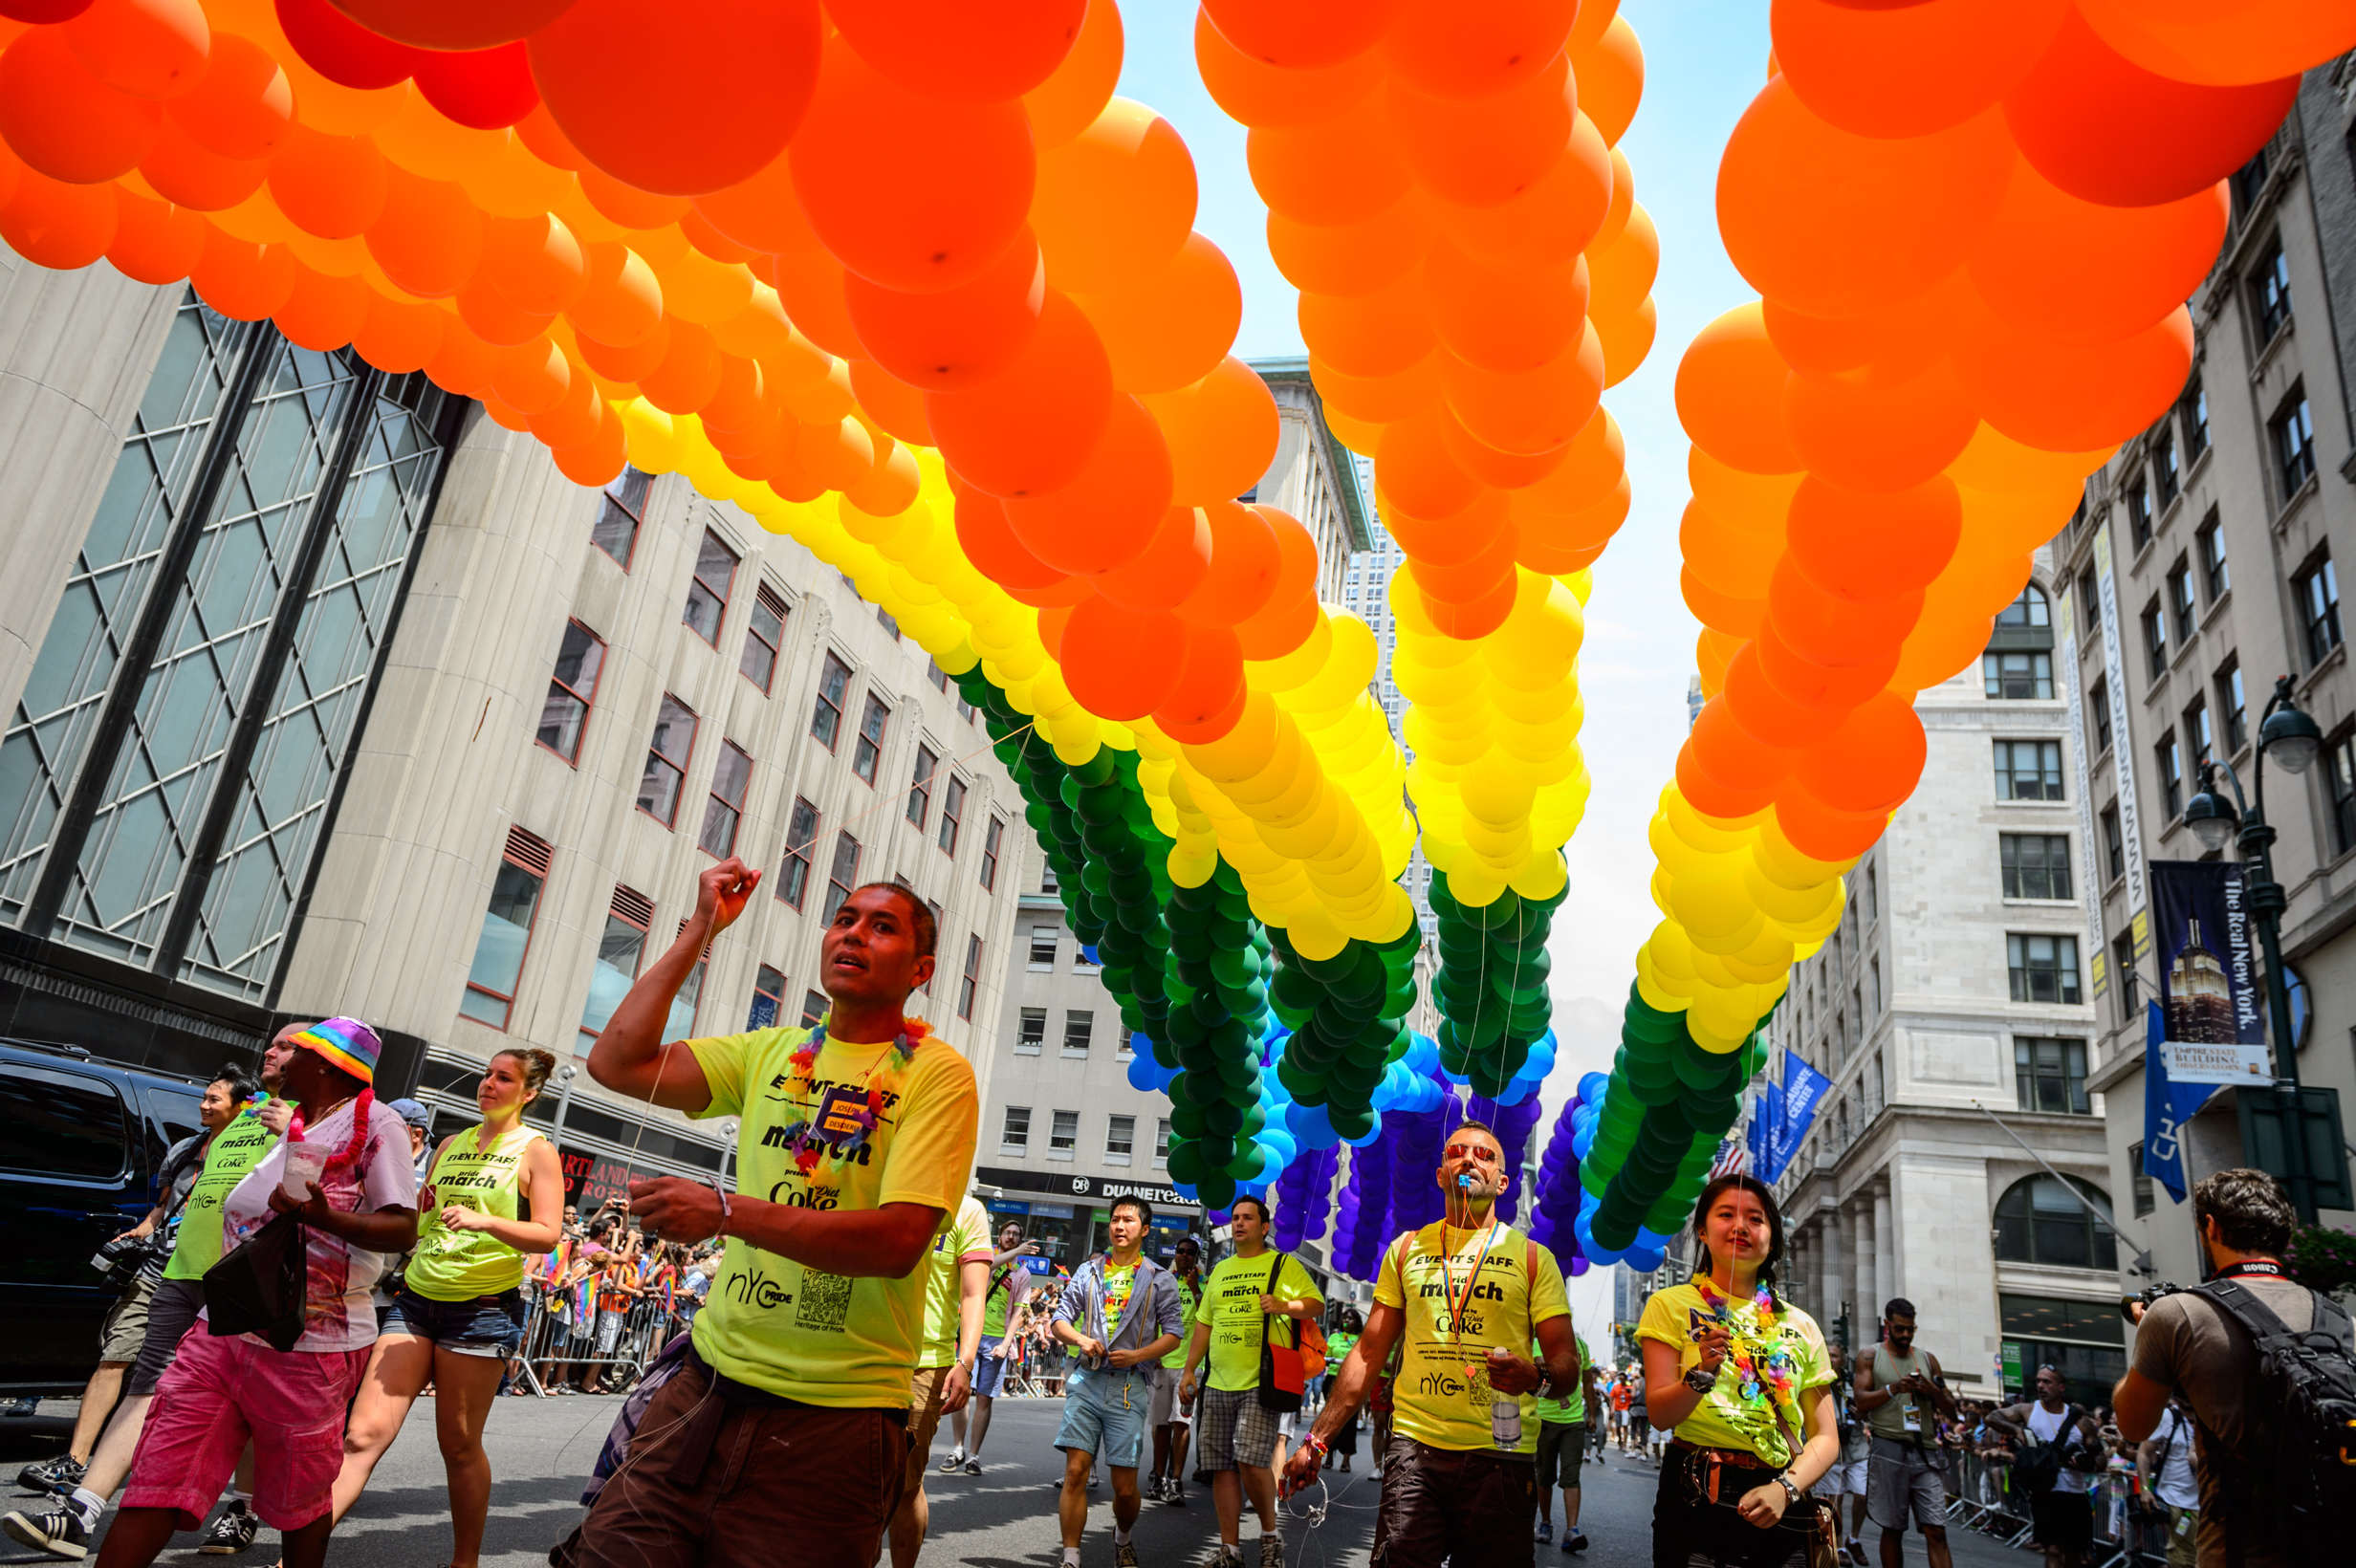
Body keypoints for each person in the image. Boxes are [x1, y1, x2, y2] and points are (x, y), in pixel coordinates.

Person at [555, 866, 980, 1568]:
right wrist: (702, 928)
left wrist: (725, 1211)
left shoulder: (938, 1074)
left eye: (882, 927)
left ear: (921, 969)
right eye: (845, 918)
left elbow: (898, 1240)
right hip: (704, 1389)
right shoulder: (771, 1052)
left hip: (835, 1422)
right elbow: (616, 1061)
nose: (854, 933)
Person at [88, 1019, 416, 1568]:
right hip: (225, 1328)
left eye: (295, 1051)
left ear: (325, 1065)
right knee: (161, 1474)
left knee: (300, 1499)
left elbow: (403, 1228)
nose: (279, 1060)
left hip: (311, 1346)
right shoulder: (287, 1122)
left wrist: (322, 1215)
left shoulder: (377, 1124)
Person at [1280, 1120, 1579, 1568]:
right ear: (1440, 1174)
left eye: (1483, 1155)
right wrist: (1317, 1441)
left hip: (1502, 1459)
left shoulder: (1534, 1259)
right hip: (1416, 1452)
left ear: (1502, 1182)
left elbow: (1566, 1365)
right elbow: (1367, 1353)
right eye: (1457, 1151)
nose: (1467, 1159)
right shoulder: (1404, 1250)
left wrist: (1535, 1378)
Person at [8, 1062, 263, 1558]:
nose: (203, 1104)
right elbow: (171, 1207)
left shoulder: (289, 1126)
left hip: (237, 1283)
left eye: (215, 1098)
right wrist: (143, 1234)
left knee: (247, 1402)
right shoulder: (190, 1148)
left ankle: (242, 1509)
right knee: (141, 1378)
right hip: (173, 1272)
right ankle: (81, 1508)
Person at [325, 1048, 563, 1568]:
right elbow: (422, 1220)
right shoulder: (450, 1144)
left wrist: (486, 1223)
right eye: (487, 1074)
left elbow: (548, 1235)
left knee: (457, 1446)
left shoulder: (536, 1150)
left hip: (480, 1311)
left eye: (504, 1078)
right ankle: (299, 1556)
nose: (489, 1084)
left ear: (529, 1094)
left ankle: (465, 1561)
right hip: (416, 1300)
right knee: (361, 1435)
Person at [2113, 1167, 2352, 1568]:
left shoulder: (2178, 1314)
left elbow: (2133, 1425)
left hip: (2237, 1551)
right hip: (2335, 1543)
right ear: (2284, 1233)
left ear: (2211, 1226)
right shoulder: (2340, 1319)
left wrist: (2150, 1337)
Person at [1637, 1173, 1841, 1568]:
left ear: (1772, 1237)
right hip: (1695, 1490)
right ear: (1702, 1230)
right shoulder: (1669, 1305)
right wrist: (1699, 1376)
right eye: (1726, 1214)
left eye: (1756, 1219)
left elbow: (1826, 1438)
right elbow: (1661, 1416)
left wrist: (1786, 1488)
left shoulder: (1803, 1326)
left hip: (1782, 1499)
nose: (1741, 1226)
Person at [1181, 1195, 1322, 1568]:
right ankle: (1230, 1550)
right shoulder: (1221, 1270)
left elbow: (1316, 1303)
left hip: (1262, 1380)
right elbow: (1204, 1324)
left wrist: (1284, 1306)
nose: (1240, 1223)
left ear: (1264, 1227)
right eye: (1236, 1217)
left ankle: (1270, 1536)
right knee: (1221, 1466)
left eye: (1248, 1218)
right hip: (1217, 1381)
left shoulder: (1282, 1264)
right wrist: (1189, 1370)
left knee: (1249, 1459)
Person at [1050, 1196, 1187, 1568]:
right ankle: (1071, 1556)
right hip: (1087, 1380)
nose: (1119, 1225)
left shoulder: (1161, 1279)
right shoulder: (1088, 1270)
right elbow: (1060, 1319)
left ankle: (1122, 1535)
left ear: (1144, 1229)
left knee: (1125, 1489)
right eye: (1114, 1219)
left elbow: (1174, 1333)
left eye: (1128, 1220)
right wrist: (1080, 1339)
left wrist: (1139, 1356)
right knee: (1076, 1470)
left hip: (1130, 1387)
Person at [889, 1193, 990, 1568]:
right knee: (853, 1483)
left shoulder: (967, 1209)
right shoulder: (880, 1182)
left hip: (924, 1364)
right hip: (859, 1353)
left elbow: (974, 1292)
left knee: (904, 1484)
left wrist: (964, 1361)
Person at [1857, 1297, 1956, 1568]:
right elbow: (1861, 1401)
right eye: (1899, 1328)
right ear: (1887, 1324)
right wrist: (1894, 1388)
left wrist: (1931, 1390)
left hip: (1925, 1453)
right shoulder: (1870, 1355)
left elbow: (1953, 1411)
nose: (1905, 1334)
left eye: (1910, 1329)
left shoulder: (1927, 1359)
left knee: (1936, 1528)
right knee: (1893, 1528)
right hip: (1887, 1448)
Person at [941, 1222, 1038, 1475]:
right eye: (1007, 1233)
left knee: (985, 1398)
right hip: (971, 1336)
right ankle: (957, 1449)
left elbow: (1019, 1312)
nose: (1011, 1237)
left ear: (1020, 1239)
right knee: (960, 1393)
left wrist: (1006, 1344)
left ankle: (973, 1455)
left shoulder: (1022, 1273)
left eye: (1016, 1235)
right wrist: (1016, 1253)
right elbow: (988, 1266)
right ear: (999, 1236)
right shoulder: (986, 1257)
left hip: (996, 1341)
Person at [1987, 1365, 2102, 1568]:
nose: (2040, 1385)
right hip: (2045, 1492)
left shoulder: (2080, 1420)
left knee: (2074, 1554)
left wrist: (2088, 1463)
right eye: (2039, 1381)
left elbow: (2101, 1459)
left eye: (2047, 1382)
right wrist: (2016, 1430)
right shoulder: (2028, 1410)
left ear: (2061, 1387)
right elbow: (1992, 1417)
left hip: (2075, 1493)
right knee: (2053, 1550)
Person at [1145, 1236, 1205, 1504]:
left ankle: (1176, 1480)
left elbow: (1210, 1319)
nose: (1184, 1256)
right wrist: (1152, 1351)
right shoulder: (1164, 1281)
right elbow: (1151, 1316)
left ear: (1196, 1258)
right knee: (1160, 1425)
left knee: (1181, 1423)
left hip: (1189, 1368)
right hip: (1161, 1364)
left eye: (1189, 1253)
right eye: (1179, 1251)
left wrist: (1195, 1290)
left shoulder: (1204, 1283)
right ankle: (1158, 1478)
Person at [1532, 1318, 1593, 1553]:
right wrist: (1559, 1394)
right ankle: (1545, 1523)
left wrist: (1592, 1414)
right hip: (1545, 1420)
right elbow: (1541, 1368)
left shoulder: (1581, 1346)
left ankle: (1572, 1529)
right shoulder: (1541, 1342)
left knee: (1572, 1475)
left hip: (1573, 1422)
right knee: (1544, 1476)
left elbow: (1587, 1381)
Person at [1816, 1344, 1872, 1565]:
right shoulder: (1818, 1382)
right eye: (1827, 1355)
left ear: (1843, 1359)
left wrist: (1863, 1412)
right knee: (1835, 1498)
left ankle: (1853, 1539)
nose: (1830, 1359)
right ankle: (1839, 1547)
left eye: (1835, 1355)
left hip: (1857, 1449)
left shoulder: (1854, 1384)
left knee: (1862, 1495)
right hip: (1832, 1448)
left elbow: (1871, 1407)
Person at [2133, 1395, 2199, 1568]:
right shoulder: (2167, 1417)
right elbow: (2143, 1453)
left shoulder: (2210, 1415)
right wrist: (2145, 1489)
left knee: (2203, 1556)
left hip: (2206, 1503)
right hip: (2174, 1501)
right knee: (2180, 1556)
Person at [1320, 1308, 1361, 1477]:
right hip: (1332, 1380)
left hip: (1352, 1382)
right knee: (1330, 1420)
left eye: (1350, 1318)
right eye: (1344, 1317)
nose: (1346, 1320)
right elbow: (1325, 1358)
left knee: (1349, 1422)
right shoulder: (1334, 1337)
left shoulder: (1361, 1339)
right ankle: (1328, 1456)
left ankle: (1346, 1460)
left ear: (1357, 1322)